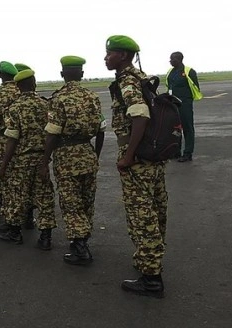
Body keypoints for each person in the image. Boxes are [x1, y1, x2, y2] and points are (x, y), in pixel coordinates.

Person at [105, 35, 168, 298]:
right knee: (155, 210)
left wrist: (128, 156)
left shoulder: (127, 81)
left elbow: (140, 115)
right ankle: (149, 260)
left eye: (109, 53)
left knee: (142, 216)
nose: (106, 58)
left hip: (138, 157)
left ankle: (151, 279)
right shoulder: (142, 77)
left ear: (122, 55)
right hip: (152, 156)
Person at [42, 56, 106, 262]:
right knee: (87, 200)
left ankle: (80, 248)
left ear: (62, 74)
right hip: (87, 152)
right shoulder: (92, 97)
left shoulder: (58, 99)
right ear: (82, 74)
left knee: (71, 202)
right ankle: (82, 239)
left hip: (67, 155)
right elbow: (102, 130)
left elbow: (52, 133)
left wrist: (44, 160)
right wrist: (95, 155)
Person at [0, 69, 56, 246]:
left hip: (22, 159)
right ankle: (45, 237)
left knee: (18, 194)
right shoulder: (46, 104)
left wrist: (3, 165)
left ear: (18, 86)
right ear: (34, 83)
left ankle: (15, 232)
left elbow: (12, 139)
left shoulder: (14, 108)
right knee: (44, 196)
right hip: (41, 158)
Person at [0, 61, 21, 220]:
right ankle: (24, 212)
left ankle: (2, 208)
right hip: (23, 142)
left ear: (0, 75)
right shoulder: (22, 90)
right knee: (20, 176)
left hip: (3, 140)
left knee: (1, 174)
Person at [166, 51, 202, 162]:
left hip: (185, 103)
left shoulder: (189, 71)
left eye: (172, 59)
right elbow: (169, 86)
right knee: (175, 128)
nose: (170, 61)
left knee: (187, 128)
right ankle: (176, 151)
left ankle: (187, 153)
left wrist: (187, 99)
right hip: (173, 103)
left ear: (179, 59)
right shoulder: (170, 72)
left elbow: (195, 87)